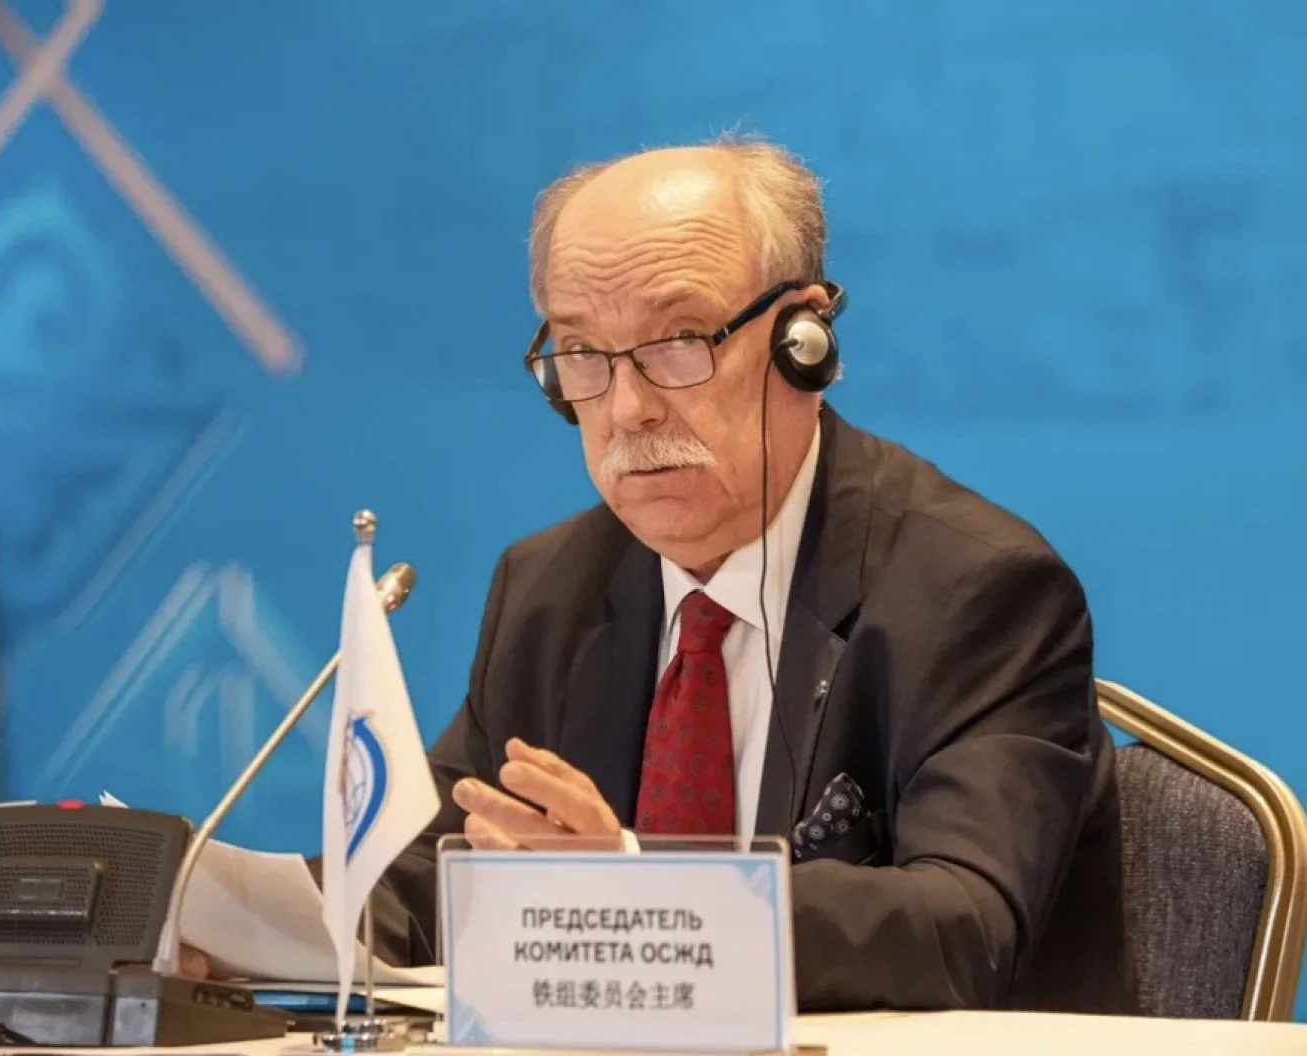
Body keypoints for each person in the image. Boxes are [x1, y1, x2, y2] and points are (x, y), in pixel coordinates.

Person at [195, 136, 1136, 1013]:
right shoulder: (551, 590)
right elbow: (423, 887)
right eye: (582, 354)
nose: (627, 409)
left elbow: (964, 927)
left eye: (679, 340)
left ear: (802, 342)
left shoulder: (975, 588)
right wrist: (220, 925)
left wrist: (634, 892)